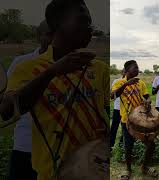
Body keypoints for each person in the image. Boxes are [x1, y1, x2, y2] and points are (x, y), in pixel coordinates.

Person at [1, 0, 109, 179]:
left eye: (90, 22)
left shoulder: (99, 69)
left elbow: (105, 110)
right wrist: (50, 73)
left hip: (94, 169)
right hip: (52, 173)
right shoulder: (28, 68)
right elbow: (6, 111)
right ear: (57, 24)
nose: (90, 28)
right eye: (82, 20)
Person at [6, 20, 52, 180]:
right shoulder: (21, 63)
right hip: (26, 144)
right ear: (39, 36)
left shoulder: (73, 66)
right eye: (48, 34)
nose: (53, 39)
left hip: (59, 145)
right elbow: (8, 103)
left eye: (57, 34)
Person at [112, 60, 158, 180]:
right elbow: (113, 95)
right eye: (135, 68)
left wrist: (147, 101)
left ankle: (144, 167)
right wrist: (126, 84)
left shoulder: (140, 83)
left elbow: (147, 95)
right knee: (128, 147)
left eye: (137, 68)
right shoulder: (119, 82)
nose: (137, 70)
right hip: (127, 121)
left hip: (142, 120)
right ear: (127, 70)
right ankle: (128, 169)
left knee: (151, 145)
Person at [110, 70, 125, 150]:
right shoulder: (116, 81)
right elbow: (112, 94)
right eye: (124, 72)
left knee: (124, 128)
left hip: (126, 109)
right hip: (117, 108)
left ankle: (121, 145)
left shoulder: (131, 82)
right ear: (122, 72)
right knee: (114, 127)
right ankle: (110, 146)